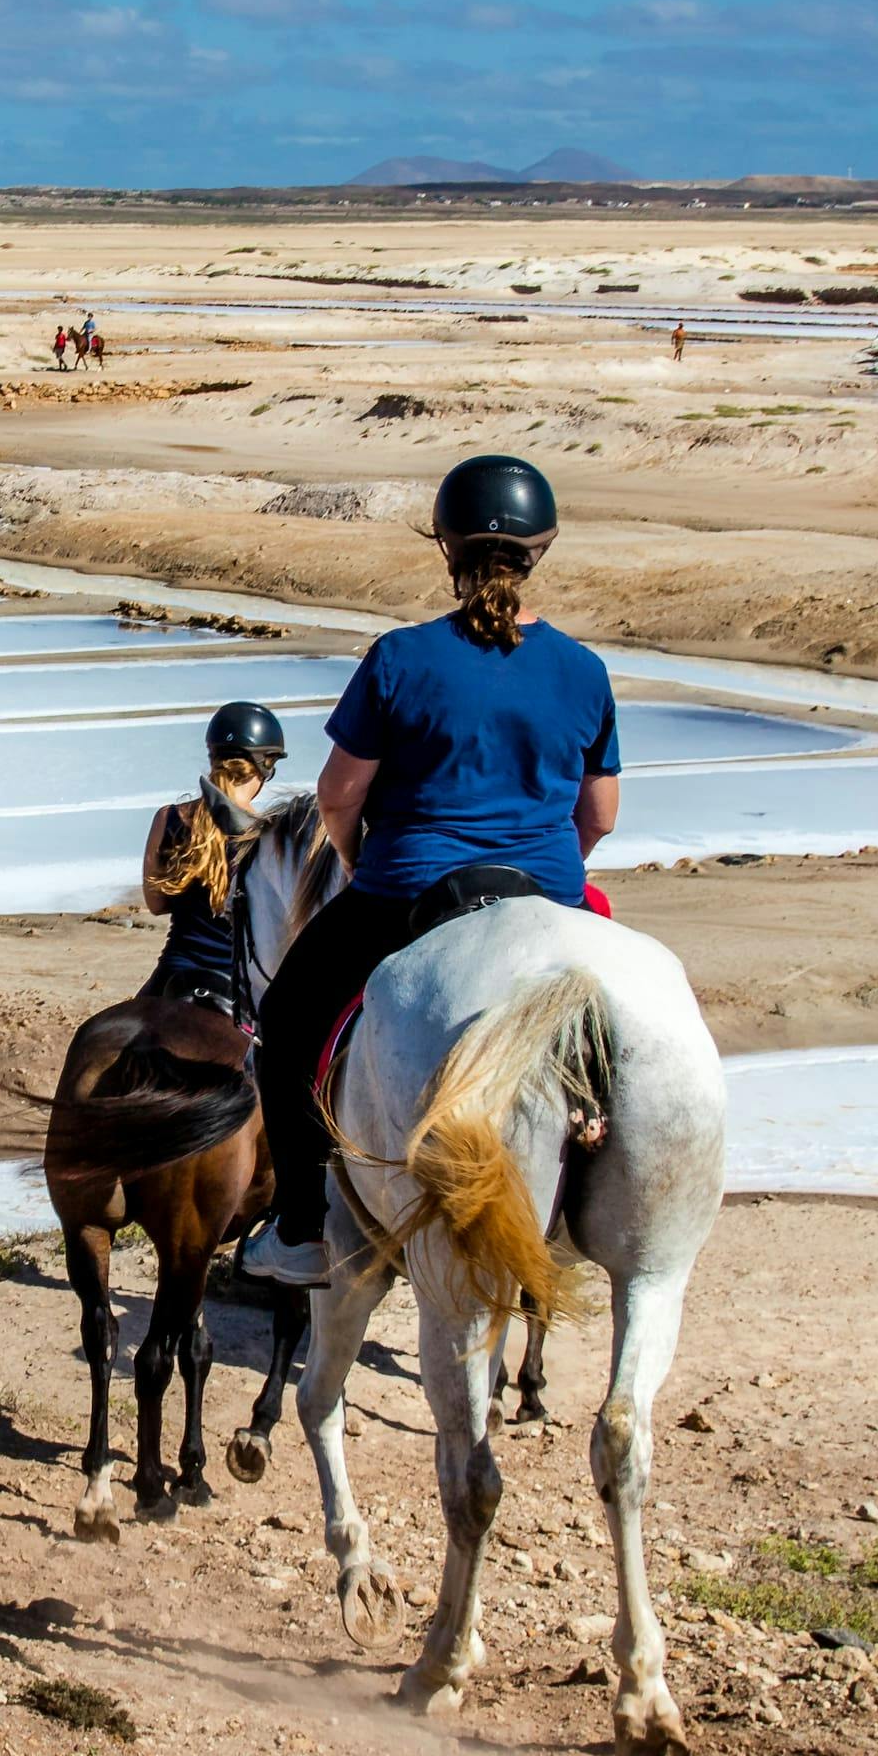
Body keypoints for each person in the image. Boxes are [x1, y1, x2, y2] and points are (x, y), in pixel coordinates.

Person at [238, 453, 621, 1284]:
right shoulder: (585, 670)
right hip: (545, 895)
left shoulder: (400, 659)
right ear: (538, 554)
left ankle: (302, 1228)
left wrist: (353, 856)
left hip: (410, 890)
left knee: (291, 1023)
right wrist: (553, 876)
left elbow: (340, 795)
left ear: (447, 551)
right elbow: (599, 816)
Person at [130, 699, 290, 1022]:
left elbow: (156, 904)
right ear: (265, 767)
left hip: (174, 974)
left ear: (212, 756)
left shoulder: (169, 818)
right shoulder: (268, 836)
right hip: (237, 985)